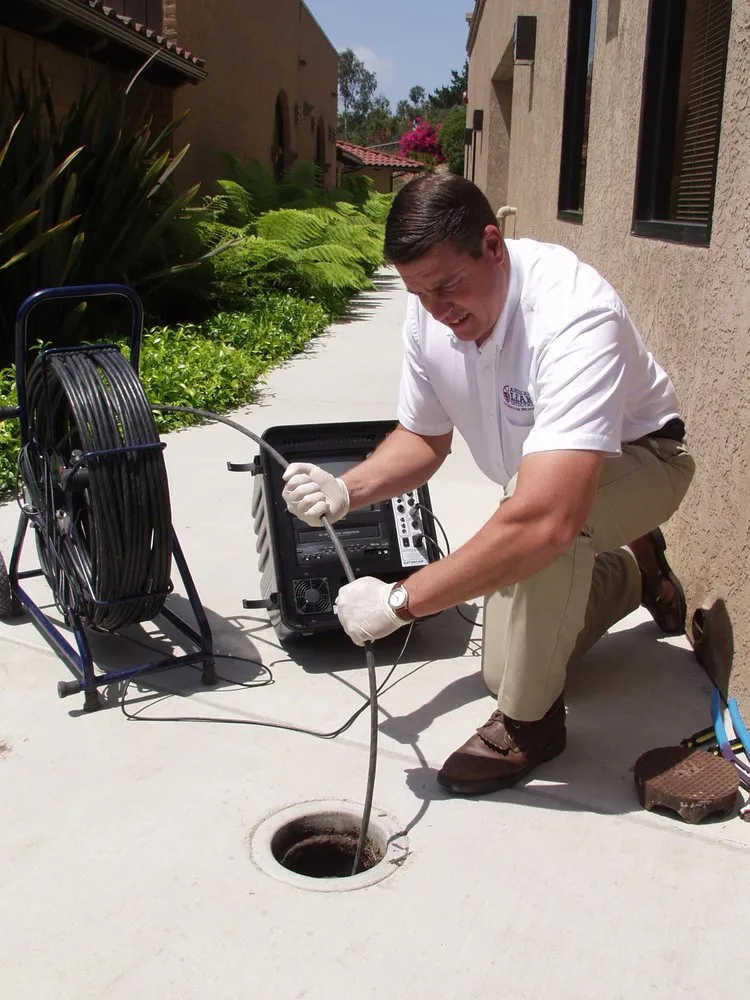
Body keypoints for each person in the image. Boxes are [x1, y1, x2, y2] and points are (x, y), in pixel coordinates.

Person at [281, 174, 695, 796]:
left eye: (448, 286)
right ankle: (639, 572)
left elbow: (544, 520)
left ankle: (532, 728)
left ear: (494, 246)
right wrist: (347, 489)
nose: (439, 312)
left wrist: (400, 602)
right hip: (538, 490)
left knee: (541, 570)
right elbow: (424, 439)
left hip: (646, 459)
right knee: (502, 669)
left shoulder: (574, 313)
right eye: (420, 294)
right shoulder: (431, 320)